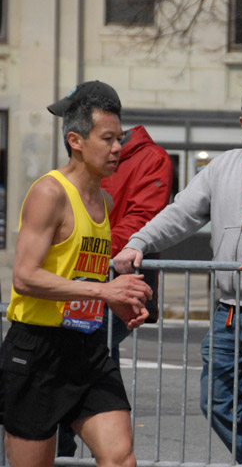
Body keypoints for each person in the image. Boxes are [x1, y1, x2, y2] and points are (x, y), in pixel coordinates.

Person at [113, 83, 242, 463]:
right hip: (228, 311)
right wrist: (137, 243)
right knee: (216, 401)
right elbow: (180, 214)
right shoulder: (222, 166)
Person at [0, 95, 151, 467]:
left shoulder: (105, 200)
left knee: (121, 459)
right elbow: (25, 277)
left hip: (87, 348)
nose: (118, 148)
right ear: (76, 141)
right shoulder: (49, 193)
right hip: (37, 349)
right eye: (107, 138)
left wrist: (112, 300)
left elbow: (79, 272)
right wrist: (104, 289)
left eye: (120, 139)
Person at [47, 81, 174, 457]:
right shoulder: (80, 164)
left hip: (112, 285)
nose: (65, 128)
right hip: (84, 287)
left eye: (71, 116)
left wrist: (86, 252)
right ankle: (70, 452)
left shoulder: (150, 159)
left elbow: (140, 221)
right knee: (78, 378)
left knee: (81, 375)